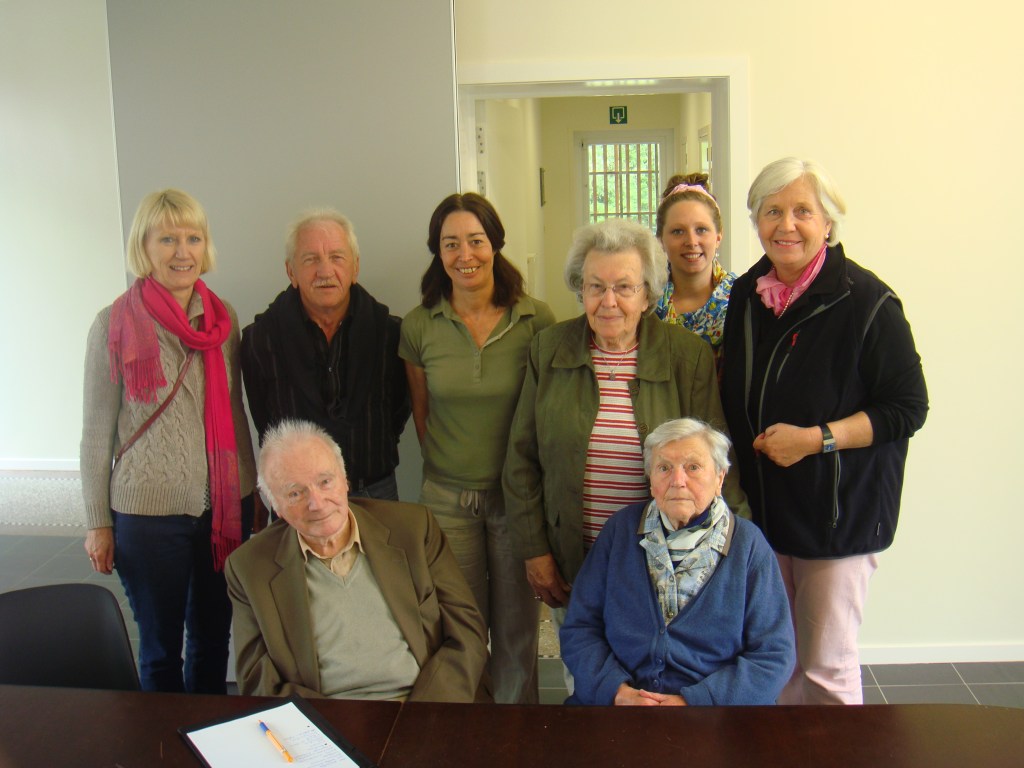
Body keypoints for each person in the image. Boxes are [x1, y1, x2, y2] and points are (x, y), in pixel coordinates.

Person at [720, 157, 928, 705]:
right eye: (772, 212)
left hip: (837, 517)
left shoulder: (868, 302)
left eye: (802, 211)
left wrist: (816, 439)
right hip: (764, 516)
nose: (786, 225)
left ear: (828, 223)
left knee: (826, 670)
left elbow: (907, 408)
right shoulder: (746, 295)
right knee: (776, 662)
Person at [503, 218, 749, 682]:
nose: (608, 301)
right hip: (575, 556)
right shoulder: (549, 349)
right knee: (593, 681)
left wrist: (737, 549)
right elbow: (521, 460)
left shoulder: (686, 355)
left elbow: (716, 462)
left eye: (624, 287)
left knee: (664, 680)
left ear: (648, 293)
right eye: (595, 286)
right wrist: (535, 551)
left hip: (669, 563)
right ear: (580, 289)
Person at [80, 189, 257, 693]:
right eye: (168, 239)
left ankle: (203, 737)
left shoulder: (225, 321)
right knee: (160, 650)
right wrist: (97, 521)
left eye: (193, 238)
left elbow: (235, 414)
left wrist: (250, 490)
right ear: (145, 246)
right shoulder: (111, 324)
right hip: (147, 513)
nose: (183, 251)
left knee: (212, 640)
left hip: (225, 507)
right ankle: (159, 748)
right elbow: (96, 431)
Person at [399, 193, 555, 704]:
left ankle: (516, 741)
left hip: (517, 501)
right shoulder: (419, 324)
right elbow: (422, 416)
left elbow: (545, 415)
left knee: (516, 632)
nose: (465, 254)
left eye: (475, 241)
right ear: (437, 253)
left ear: (495, 244)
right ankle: (470, 739)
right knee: (461, 632)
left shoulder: (536, 320)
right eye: (450, 244)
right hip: (446, 502)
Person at [225, 419, 489, 703]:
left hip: (424, 706)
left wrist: (420, 719)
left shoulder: (413, 529)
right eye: (295, 493)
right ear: (273, 503)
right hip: (327, 719)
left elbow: (467, 632)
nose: (317, 502)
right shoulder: (249, 568)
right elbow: (258, 678)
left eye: (325, 481)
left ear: (345, 478)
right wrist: (329, 731)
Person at [560, 418, 794, 706]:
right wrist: (617, 692)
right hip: (620, 706)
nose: (678, 480)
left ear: (720, 477)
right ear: (651, 480)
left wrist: (694, 701)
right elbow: (580, 628)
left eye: (693, 467)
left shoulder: (748, 545)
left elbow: (773, 656)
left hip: (714, 714)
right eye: (664, 468)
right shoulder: (620, 531)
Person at [241, 209, 409, 502]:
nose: (325, 271)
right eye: (311, 259)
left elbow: (397, 410)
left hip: (375, 492)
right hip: (297, 497)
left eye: (337, 257)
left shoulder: (389, 333)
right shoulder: (261, 338)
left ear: (355, 268)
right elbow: (265, 422)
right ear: (291, 271)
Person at [653, 173, 735, 364]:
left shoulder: (742, 299)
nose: (691, 241)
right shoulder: (644, 300)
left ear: (718, 236)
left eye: (701, 230)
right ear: (661, 240)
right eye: (677, 231)